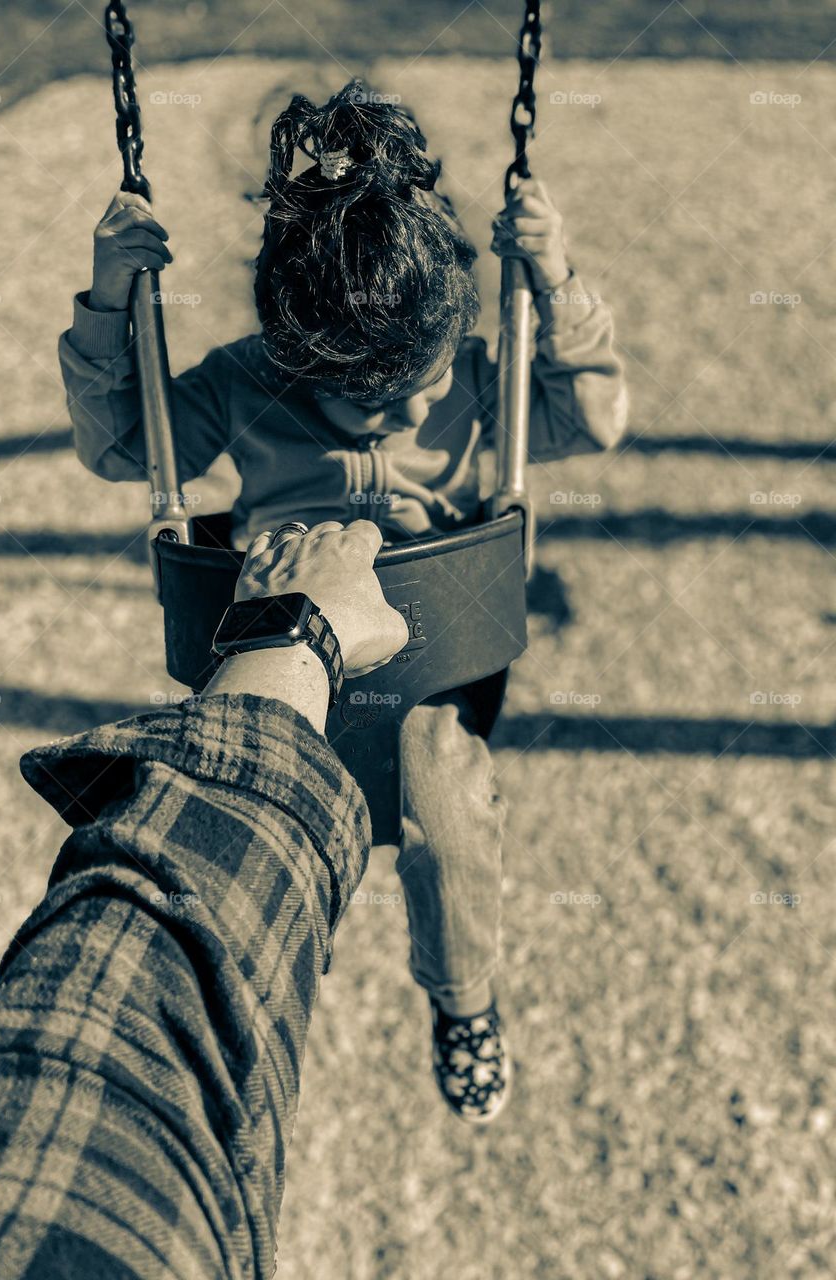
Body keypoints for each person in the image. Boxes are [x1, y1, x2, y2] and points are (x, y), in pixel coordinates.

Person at [59, 79, 628, 1123]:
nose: (404, 415)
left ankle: (464, 997)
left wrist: (554, 280)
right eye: (365, 400)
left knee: (448, 806)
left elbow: (590, 417)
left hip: (426, 663)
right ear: (292, 355)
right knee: (220, 811)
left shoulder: (472, 378)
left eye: (419, 388)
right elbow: (124, 448)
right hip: (285, 645)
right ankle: (218, 1016)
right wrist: (108, 301)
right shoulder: (244, 383)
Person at [0, 520, 408, 1280]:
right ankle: (463, 994)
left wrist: (278, 634)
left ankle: (460, 989)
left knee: (448, 795)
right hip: (317, 605)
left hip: (332, 601)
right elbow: (113, 1059)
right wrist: (291, 634)